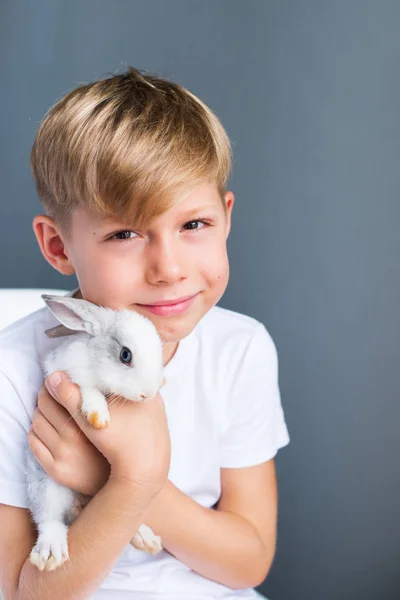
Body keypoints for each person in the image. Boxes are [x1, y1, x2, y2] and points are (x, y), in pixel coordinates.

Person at [0, 66, 290, 600]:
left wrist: (134, 477)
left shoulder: (240, 348)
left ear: (225, 218)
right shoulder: (12, 370)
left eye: (193, 225)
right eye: (125, 233)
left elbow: (249, 563)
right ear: (59, 247)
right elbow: (25, 593)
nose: (169, 268)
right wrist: (130, 485)